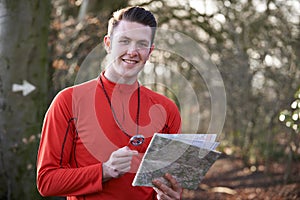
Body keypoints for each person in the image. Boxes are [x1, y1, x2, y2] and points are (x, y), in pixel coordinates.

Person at [37, 6, 182, 200]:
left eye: (141, 44)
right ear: (108, 43)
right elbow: (47, 182)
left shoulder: (167, 110)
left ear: (150, 52)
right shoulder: (68, 102)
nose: (132, 51)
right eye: (124, 41)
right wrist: (104, 171)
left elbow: (169, 181)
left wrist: (170, 196)